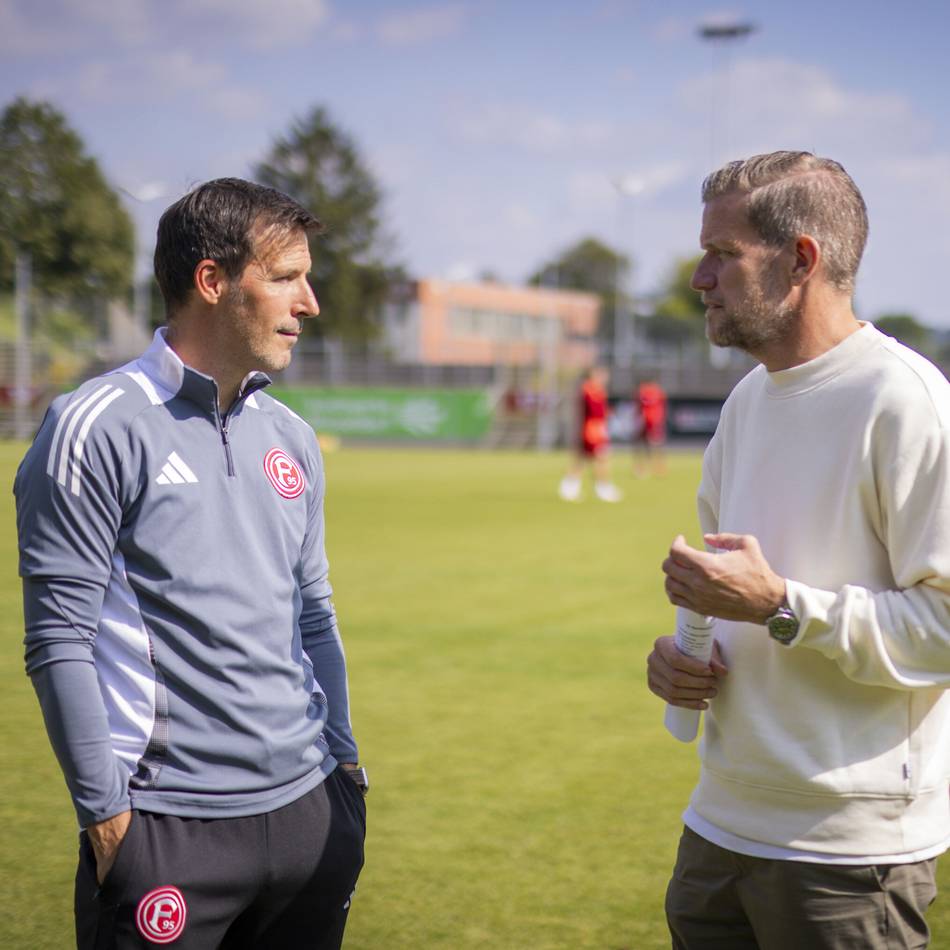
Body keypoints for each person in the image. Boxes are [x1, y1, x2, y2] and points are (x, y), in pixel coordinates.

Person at [15, 178, 367, 949]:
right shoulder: (96, 426)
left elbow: (314, 613)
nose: (309, 304)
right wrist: (111, 828)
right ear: (211, 282)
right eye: (285, 278)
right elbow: (58, 642)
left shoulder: (291, 436)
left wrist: (344, 773)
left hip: (311, 814)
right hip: (169, 835)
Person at [646, 151, 950, 949]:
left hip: (846, 857)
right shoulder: (747, 399)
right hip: (719, 827)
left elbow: (944, 627)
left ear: (801, 260)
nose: (699, 277)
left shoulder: (906, 402)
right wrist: (685, 655)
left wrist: (780, 606)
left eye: (723, 254)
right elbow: (735, 597)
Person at [558, 365, 622, 502]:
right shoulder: (588, 390)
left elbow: (601, 410)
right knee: (599, 458)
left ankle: (571, 487)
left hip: (597, 428)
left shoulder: (598, 390)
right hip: (591, 430)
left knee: (587, 459)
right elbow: (588, 411)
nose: (604, 377)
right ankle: (601, 488)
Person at [633, 377, 667, 476]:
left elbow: (639, 407)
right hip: (653, 421)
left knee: (644, 445)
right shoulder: (658, 391)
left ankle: (642, 467)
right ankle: (657, 467)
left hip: (648, 422)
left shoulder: (643, 391)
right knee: (655, 445)